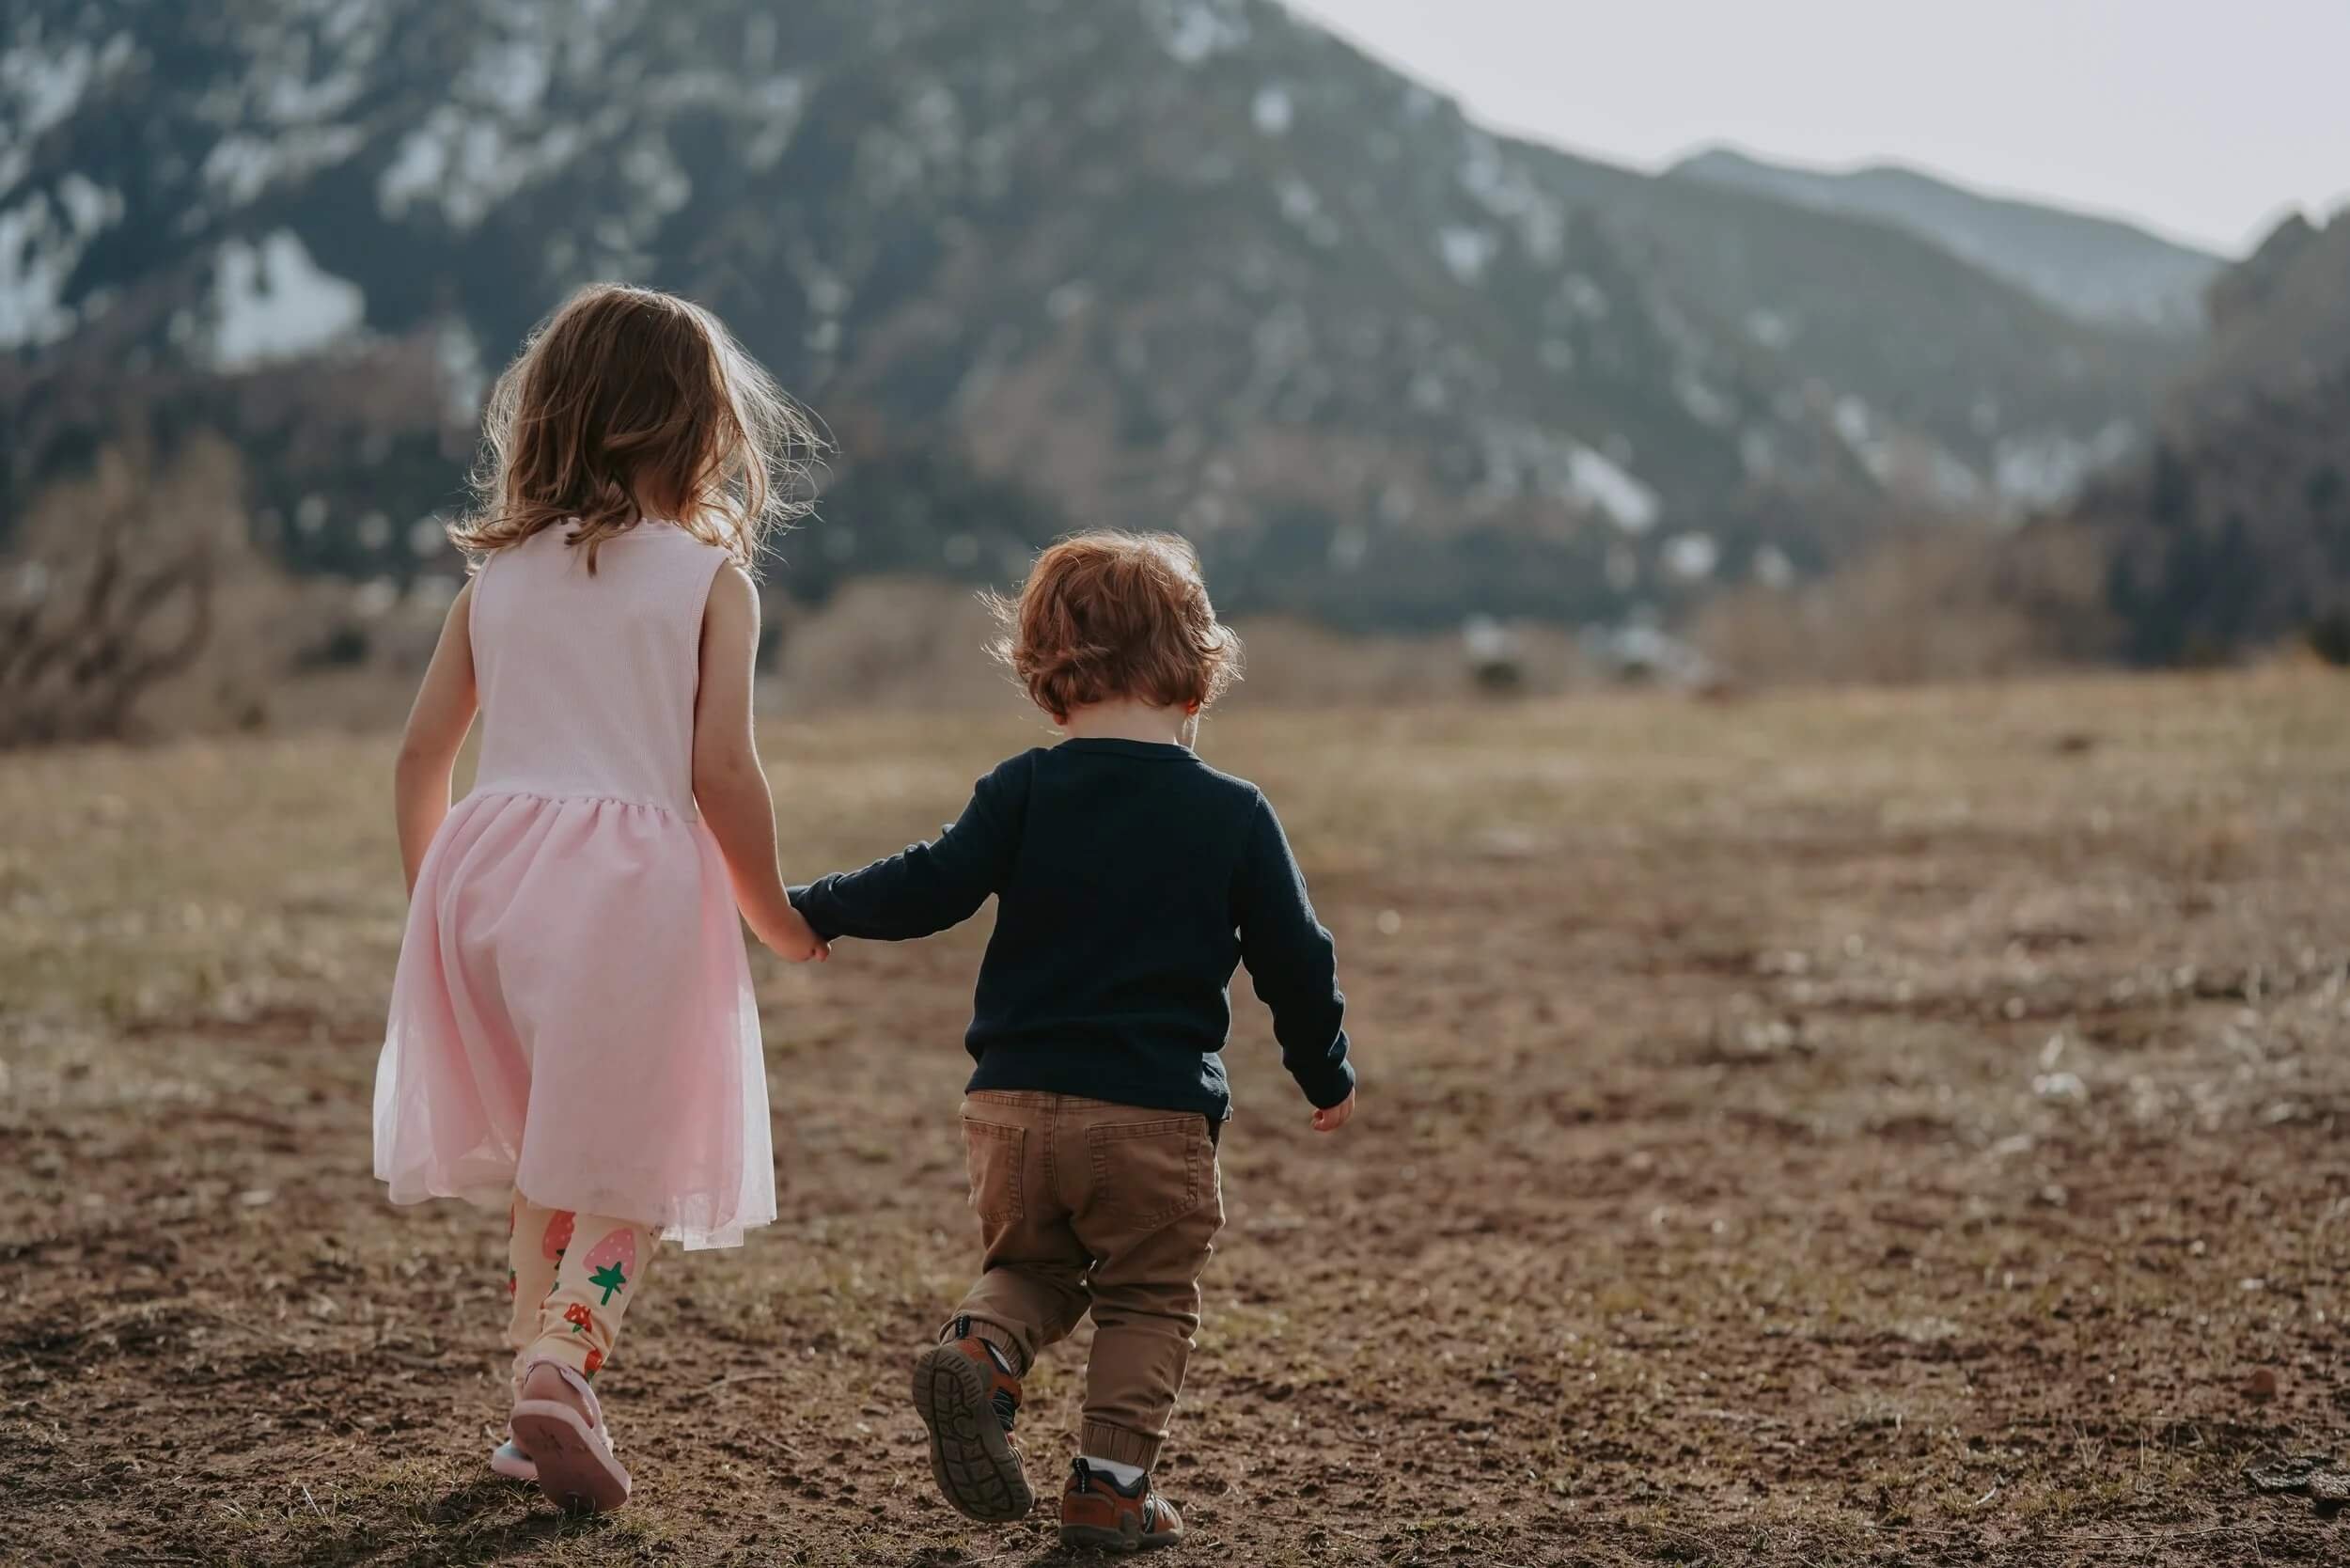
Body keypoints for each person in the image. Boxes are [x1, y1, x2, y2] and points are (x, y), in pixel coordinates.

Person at [791, 531, 1357, 1552]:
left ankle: (981, 1351)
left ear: (1047, 679)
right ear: (1198, 674)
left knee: (1032, 1270)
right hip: (1153, 1118)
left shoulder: (1023, 788)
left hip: (1011, 1111)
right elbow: (1296, 958)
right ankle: (1110, 1489)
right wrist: (1326, 1071)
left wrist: (813, 907)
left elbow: (926, 887)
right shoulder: (1233, 812)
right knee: (1145, 1297)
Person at [372, 284, 829, 1513]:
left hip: (486, 890)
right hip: (625, 903)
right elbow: (721, 773)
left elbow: (420, 759)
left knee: (556, 1152)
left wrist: (433, 908)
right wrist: (775, 915)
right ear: (698, 429)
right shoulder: (709, 582)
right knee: (632, 1155)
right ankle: (565, 1360)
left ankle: (534, 1418)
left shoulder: (495, 582)